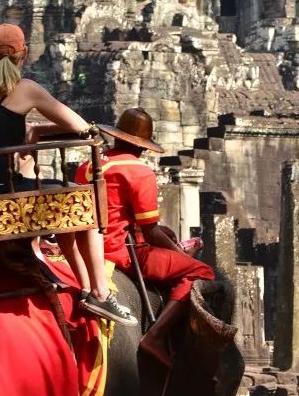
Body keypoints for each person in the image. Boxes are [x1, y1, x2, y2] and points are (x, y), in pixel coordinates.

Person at [0, 23, 135, 327]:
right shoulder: (26, 88)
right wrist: (43, 129)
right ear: (23, 54)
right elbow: (81, 126)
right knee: (86, 200)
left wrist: (35, 130)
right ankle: (102, 293)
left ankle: (84, 287)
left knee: (64, 198)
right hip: (2, 191)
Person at [76, 107, 215, 368]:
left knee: (170, 235)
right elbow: (149, 230)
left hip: (87, 246)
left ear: (116, 137)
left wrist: (170, 241)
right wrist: (179, 253)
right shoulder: (139, 172)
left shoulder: (89, 166)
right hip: (121, 252)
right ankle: (155, 336)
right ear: (143, 146)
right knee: (201, 272)